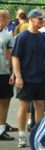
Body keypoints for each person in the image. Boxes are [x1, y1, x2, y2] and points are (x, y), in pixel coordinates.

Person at [11, 9, 45, 148]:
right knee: (24, 106)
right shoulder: (22, 37)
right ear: (31, 19)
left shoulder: (42, 37)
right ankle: (22, 135)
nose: (42, 21)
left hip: (40, 77)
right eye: (40, 19)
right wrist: (18, 77)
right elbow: (15, 58)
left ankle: (39, 135)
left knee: (40, 105)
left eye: (43, 19)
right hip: (26, 78)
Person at [0, 9, 15, 141]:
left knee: (4, 101)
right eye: (7, 18)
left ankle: (2, 129)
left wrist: (13, 72)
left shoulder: (8, 36)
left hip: (4, 73)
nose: (9, 21)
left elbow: (11, 55)